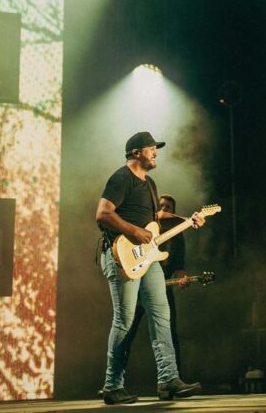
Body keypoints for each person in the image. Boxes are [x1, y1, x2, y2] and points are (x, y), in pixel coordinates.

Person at [95, 132, 203, 404]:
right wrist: (134, 231)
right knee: (124, 320)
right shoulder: (122, 178)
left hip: (148, 258)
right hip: (122, 256)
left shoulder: (150, 183)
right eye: (151, 149)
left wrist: (186, 220)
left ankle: (168, 380)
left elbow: (155, 217)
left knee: (161, 315)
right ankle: (112, 386)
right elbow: (103, 213)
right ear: (135, 153)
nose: (155, 153)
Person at [158, 193, 188, 367]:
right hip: (140, 287)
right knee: (127, 332)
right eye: (161, 206)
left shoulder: (177, 236)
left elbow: (180, 267)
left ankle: (175, 379)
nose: (163, 210)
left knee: (169, 333)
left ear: (173, 212)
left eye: (167, 207)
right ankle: (115, 382)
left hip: (163, 288)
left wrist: (183, 279)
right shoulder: (146, 227)